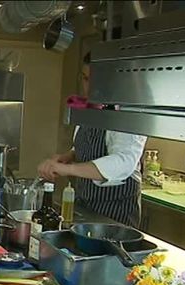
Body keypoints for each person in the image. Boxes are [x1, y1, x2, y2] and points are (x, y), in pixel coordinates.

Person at [37, 52, 147, 227]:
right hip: (86, 208)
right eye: (86, 79)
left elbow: (124, 161)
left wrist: (69, 169)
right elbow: (85, 144)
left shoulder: (127, 113)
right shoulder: (92, 109)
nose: (89, 88)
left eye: (96, 81)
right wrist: (68, 155)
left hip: (115, 216)